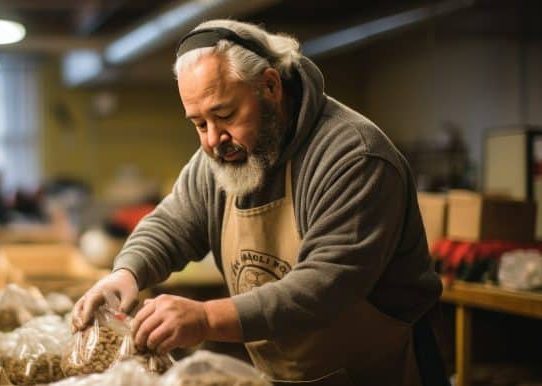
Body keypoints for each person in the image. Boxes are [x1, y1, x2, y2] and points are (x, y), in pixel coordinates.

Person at [72, 20, 447, 385]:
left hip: (381, 374)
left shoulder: (353, 156)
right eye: (199, 124)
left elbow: (324, 287)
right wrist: (126, 274)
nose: (212, 141)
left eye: (225, 115)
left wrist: (204, 318)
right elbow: (172, 224)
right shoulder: (222, 157)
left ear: (270, 86)